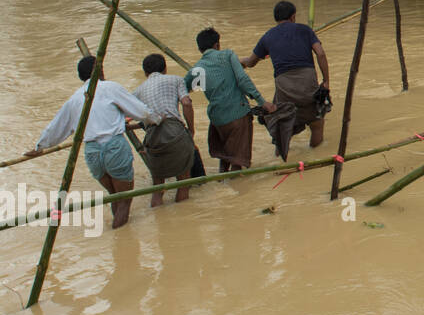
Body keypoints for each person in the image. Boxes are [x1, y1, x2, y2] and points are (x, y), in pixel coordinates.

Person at [27, 56, 161, 229]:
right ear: (100, 70)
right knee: (124, 200)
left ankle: (119, 241)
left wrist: (40, 146)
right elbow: (142, 112)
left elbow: (56, 128)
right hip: (113, 147)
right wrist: (157, 119)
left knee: (114, 195)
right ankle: (118, 236)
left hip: (92, 152)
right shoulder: (109, 88)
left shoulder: (75, 99)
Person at [240, 0, 330, 149]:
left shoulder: (267, 36)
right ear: (293, 17)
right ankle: (314, 156)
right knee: (317, 123)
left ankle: (281, 157)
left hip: (285, 89)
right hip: (308, 85)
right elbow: (320, 53)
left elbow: (250, 62)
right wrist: (326, 81)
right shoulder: (305, 30)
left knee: (282, 126)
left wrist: (239, 62)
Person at [186, 28, 275, 174]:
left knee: (225, 156)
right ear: (217, 45)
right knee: (237, 162)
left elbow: (185, 90)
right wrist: (262, 101)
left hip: (217, 120)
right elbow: (242, 80)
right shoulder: (227, 55)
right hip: (237, 114)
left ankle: (222, 181)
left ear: (200, 49)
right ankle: (237, 189)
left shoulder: (197, 69)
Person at [133, 54, 199, 207]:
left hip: (152, 137)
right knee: (183, 181)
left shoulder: (137, 91)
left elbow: (129, 117)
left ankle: (159, 220)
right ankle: (182, 222)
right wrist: (191, 130)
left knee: (157, 187)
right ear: (165, 69)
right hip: (175, 132)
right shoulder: (176, 80)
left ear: (145, 73)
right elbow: (186, 103)